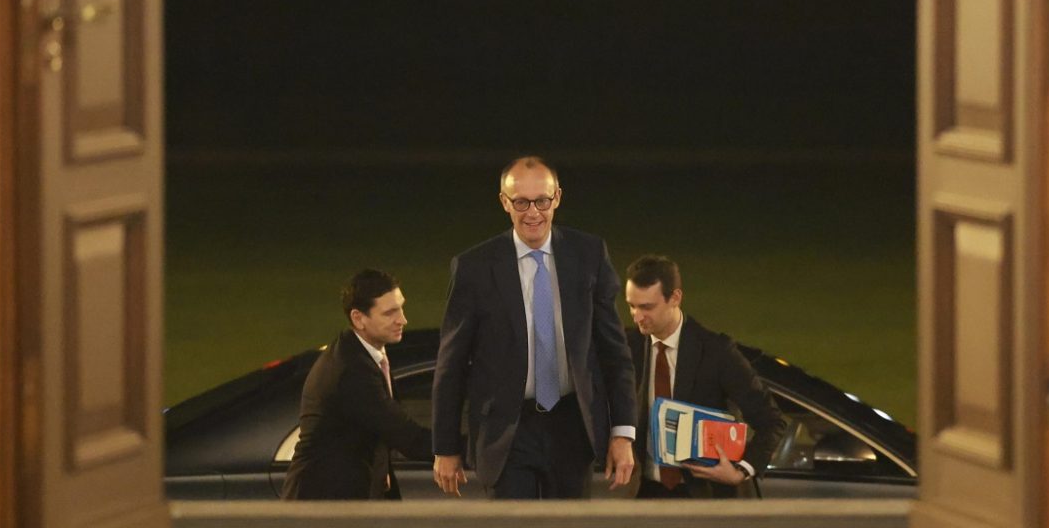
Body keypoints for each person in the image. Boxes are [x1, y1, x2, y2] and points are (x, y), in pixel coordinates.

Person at [431, 156, 636, 499]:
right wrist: (445, 447)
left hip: (573, 427)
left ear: (557, 197)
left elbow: (615, 353)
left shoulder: (588, 255)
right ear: (504, 203)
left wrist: (622, 433)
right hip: (507, 432)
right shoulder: (474, 268)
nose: (533, 213)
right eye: (521, 202)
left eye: (542, 200)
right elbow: (451, 364)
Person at [624, 255, 786, 499]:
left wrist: (740, 471)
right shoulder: (624, 347)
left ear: (675, 298)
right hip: (645, 496)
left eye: (646, 307)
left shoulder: (717, 352)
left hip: (705, 498)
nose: (637, 316)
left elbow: (772, 421)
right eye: (631, 306)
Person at [281, 269, 432, 500]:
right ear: (358, 318)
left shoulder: (364, 352)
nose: (403, 319)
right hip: (323, 508)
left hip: (351, 500)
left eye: (401, 307)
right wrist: (476, 450)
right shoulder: (350, 370)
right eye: (390, 313)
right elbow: (404, 435)